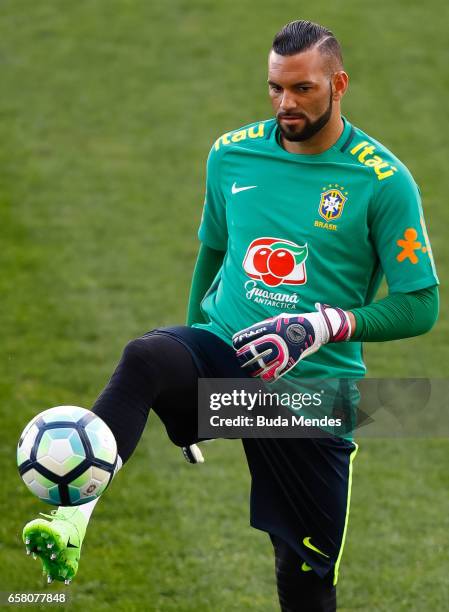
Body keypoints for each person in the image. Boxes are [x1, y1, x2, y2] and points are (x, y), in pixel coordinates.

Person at [23, 20, 438, 612]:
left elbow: (421, 304)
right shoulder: (231, 153)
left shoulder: (383, 182)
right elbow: (211, 254)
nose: (285, 104)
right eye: (275, 88)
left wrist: (327, 324)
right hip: (228, 349)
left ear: (339, 83)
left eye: (302, 90)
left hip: (308, 398)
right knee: (147, 357)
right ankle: (70, 519)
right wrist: (196, 364)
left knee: (304, 581)